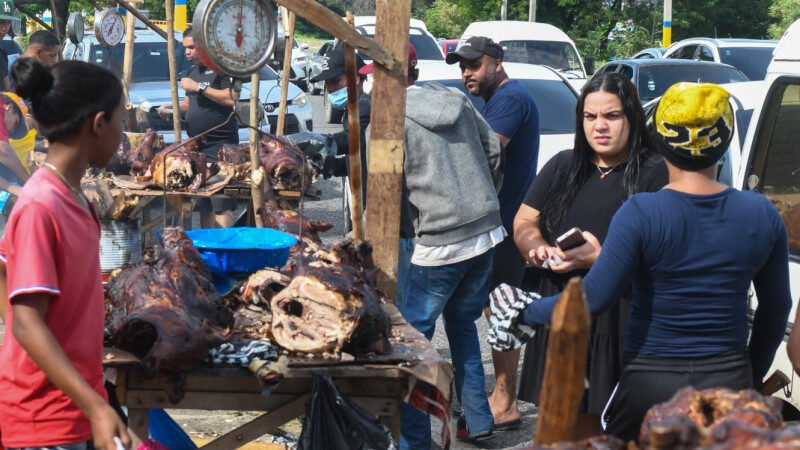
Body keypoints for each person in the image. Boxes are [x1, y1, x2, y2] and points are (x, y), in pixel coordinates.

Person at [492, 82, 792, 441]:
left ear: (661, 140)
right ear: (725, 142)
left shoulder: (641, 212)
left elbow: (592, 298)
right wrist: (751, 371)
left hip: (650, 379)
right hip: (729, 374)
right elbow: (776, 308)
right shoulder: (762, 213)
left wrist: (524, 311)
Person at [512, 72, 668, 438]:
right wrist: (536, 246)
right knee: (561, 427)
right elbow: (523, 220)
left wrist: (602, 258)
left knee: (610, 430)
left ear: (631, 117)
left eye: (611, 116)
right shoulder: (564, 165)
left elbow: (668, 255)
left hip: (620, 318)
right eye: (590, 116)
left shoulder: (656, 172)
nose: (600, 126)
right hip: (564, 313)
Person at [0, 58, 131, 450]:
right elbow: (25, 322)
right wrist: (96, 406)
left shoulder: (76, 198)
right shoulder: (42, 205)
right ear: (97, 123)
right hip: (43, 418)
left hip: (76, 405)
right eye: (121, 122)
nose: (123, 136)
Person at [393, 68, 503, 445]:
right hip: (485, 231)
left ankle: (415, 441)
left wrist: (413, 226)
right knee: (462, 323)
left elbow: (385, 184)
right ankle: (477, 420)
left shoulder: (391, 115)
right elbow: (494, 150)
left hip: (440, 240)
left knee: (413, 345)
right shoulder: (453, 98)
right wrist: (483, 199)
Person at [446, 35, 540, 428]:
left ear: (496, 63)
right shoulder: (496, 99)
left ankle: (506, 402)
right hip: (497, 221)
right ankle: (501, 398)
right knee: (491, 307)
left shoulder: (511, 99)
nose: (467, 72)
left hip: (505, 223)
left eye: (474, 64)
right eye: (462, 66)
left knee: (500, 307)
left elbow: (486, 151)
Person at [161, 25, 238, 228]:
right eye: (185, 48)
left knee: (220, 201)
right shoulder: (193, 71)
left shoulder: (221, 68)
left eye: (192, 47)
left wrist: (199, 87)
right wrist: (173, 108)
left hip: (220, 145)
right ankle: (208, 247)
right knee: (204, 203)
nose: (187, 52)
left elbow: (231, 98)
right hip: (198, 146)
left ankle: (224, 248)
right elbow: (189, 104)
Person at [0, 1, 20, 91]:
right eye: (0, 22)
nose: (4, 28)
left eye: (8, 22)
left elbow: (7, 89)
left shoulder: (2, 53)